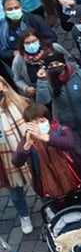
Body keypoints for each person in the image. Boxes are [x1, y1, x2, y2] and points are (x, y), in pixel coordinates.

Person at [11, 102, 81, 202]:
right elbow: (17, 162)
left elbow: (68, 143)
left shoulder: (61, 130)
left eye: (41, 121)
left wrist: (44, 137)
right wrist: (27, 144)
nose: (39, 125)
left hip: (73, 178)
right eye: (34, 123)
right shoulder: (28, 138)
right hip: (47, 182)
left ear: (48, 119)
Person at [0, 80, 35, 233]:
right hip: (5, 158)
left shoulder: (21, 103)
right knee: (15, 191)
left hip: (28, 148)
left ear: (5, 86)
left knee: (39, 179)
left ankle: (49, 207)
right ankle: (24, 215)